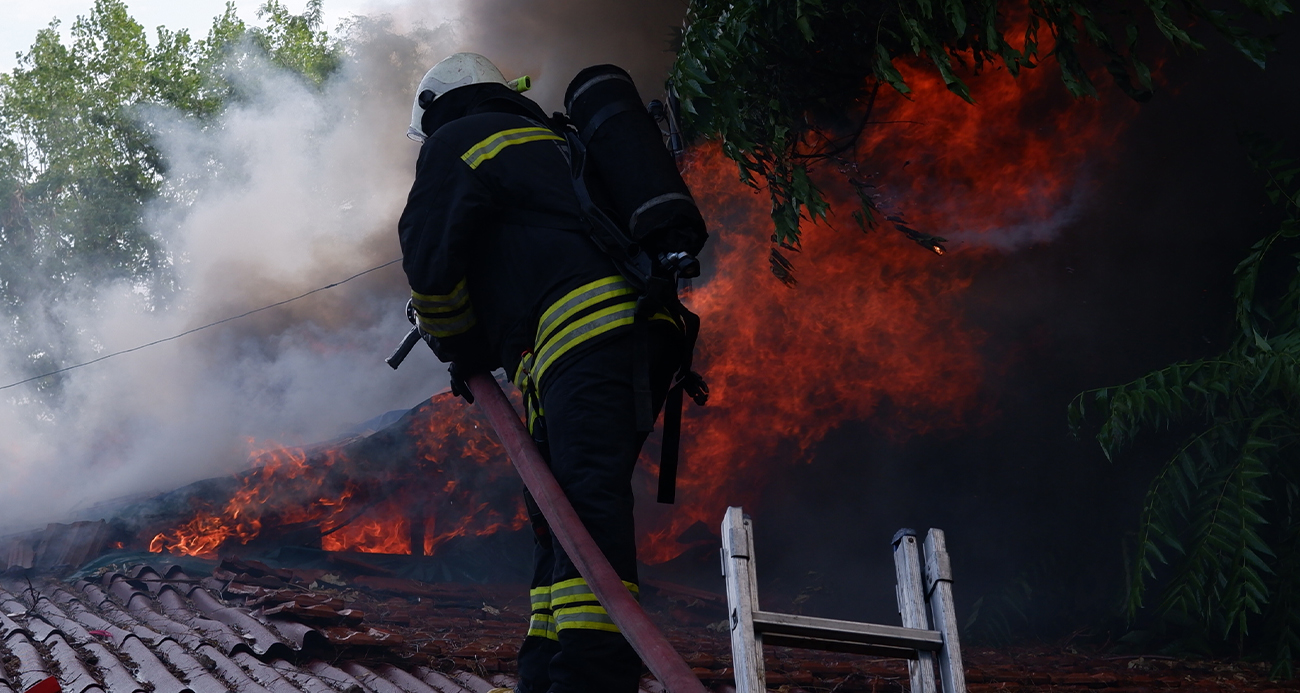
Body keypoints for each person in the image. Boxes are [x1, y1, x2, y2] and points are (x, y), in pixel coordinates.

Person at [397, 53, 706, 693]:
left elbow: (430, 267)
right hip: (631, 335)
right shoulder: (553, 142)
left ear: (437, 108)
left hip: (582, 333)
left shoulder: (458, 139)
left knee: (584, 502)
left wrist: (457, 345)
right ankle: (545, 668)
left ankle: (593, 674)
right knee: (558, 513)